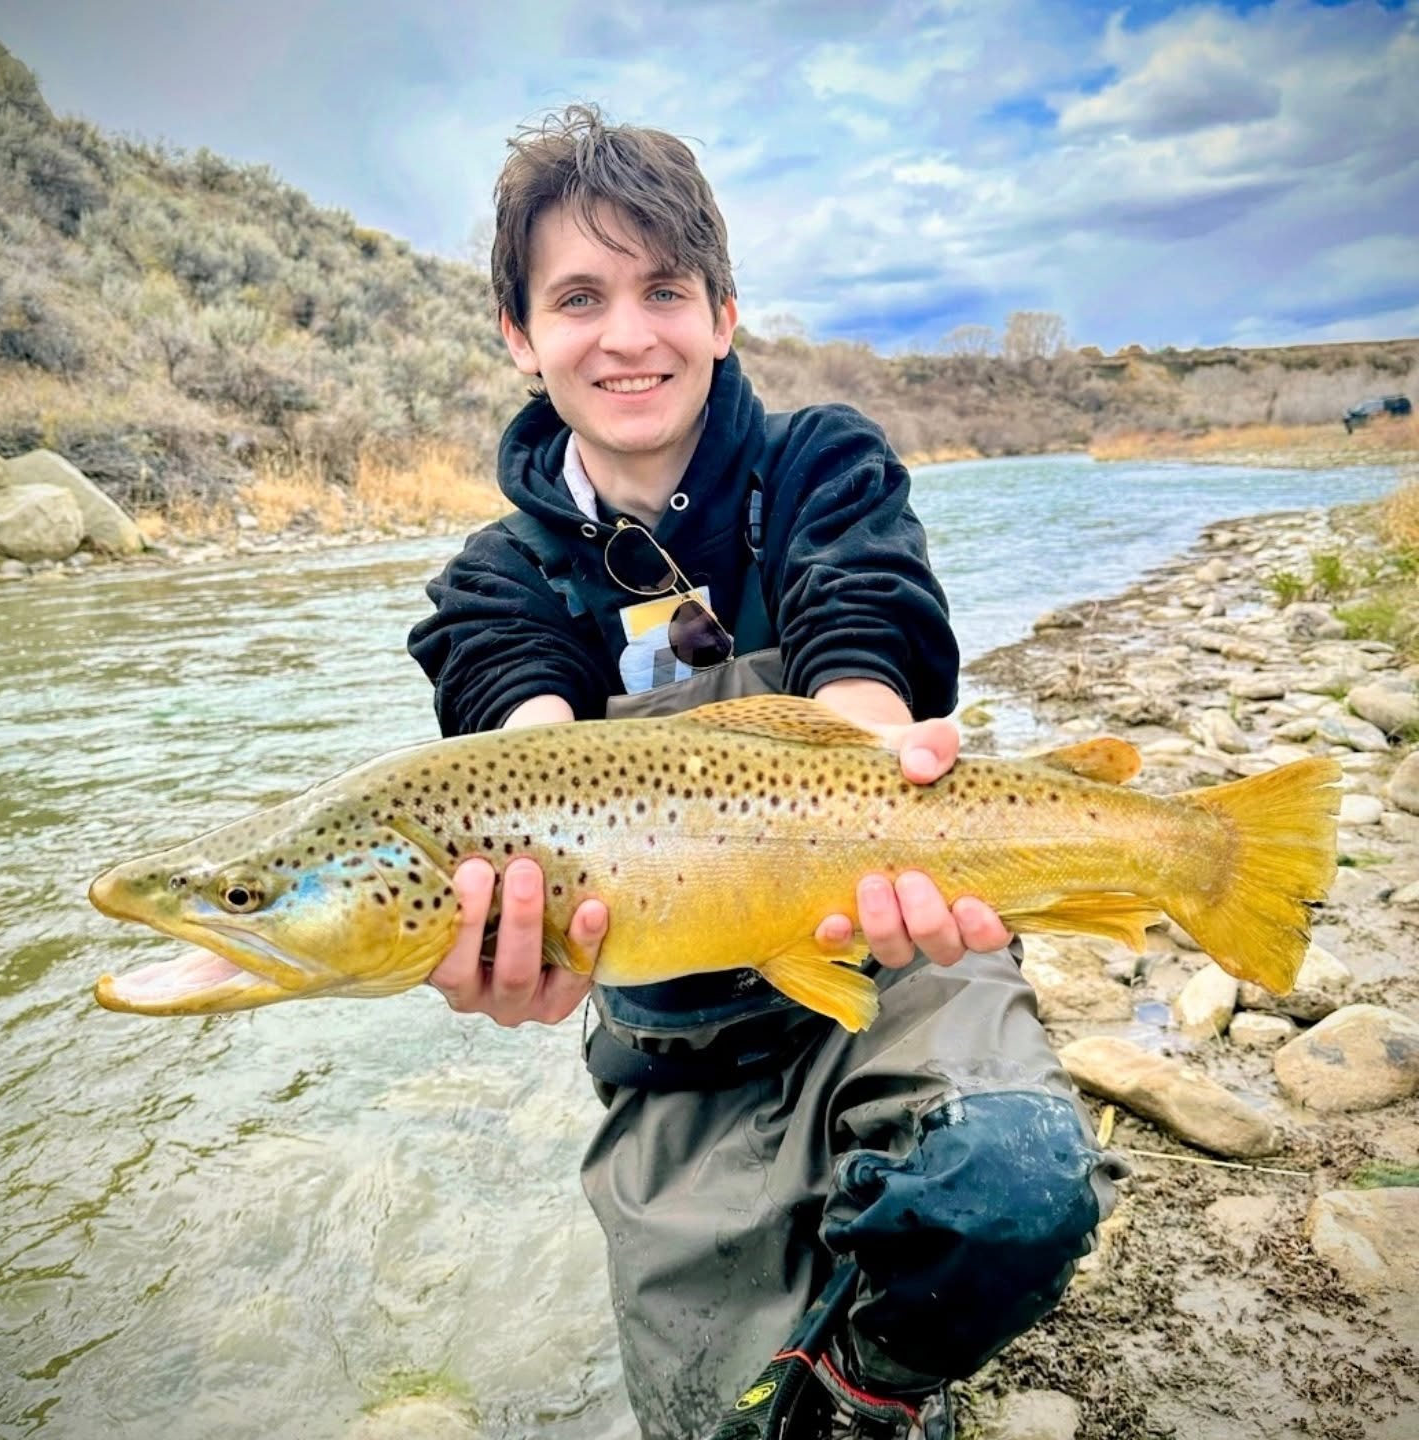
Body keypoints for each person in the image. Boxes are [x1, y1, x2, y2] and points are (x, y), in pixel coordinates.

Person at [408, 105, 1121, 1440]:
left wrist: (868, 755)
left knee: (1008, 1187)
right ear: (519, 335)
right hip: (679, 1043)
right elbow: (521, 742)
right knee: (718, 1420)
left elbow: (868, 627)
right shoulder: (494, 582)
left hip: (895, 950)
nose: (627, 335)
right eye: (578, 297)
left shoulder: (821, 466)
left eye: (663, 290)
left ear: (723, 314)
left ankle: (879, 1386)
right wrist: (512, 916)